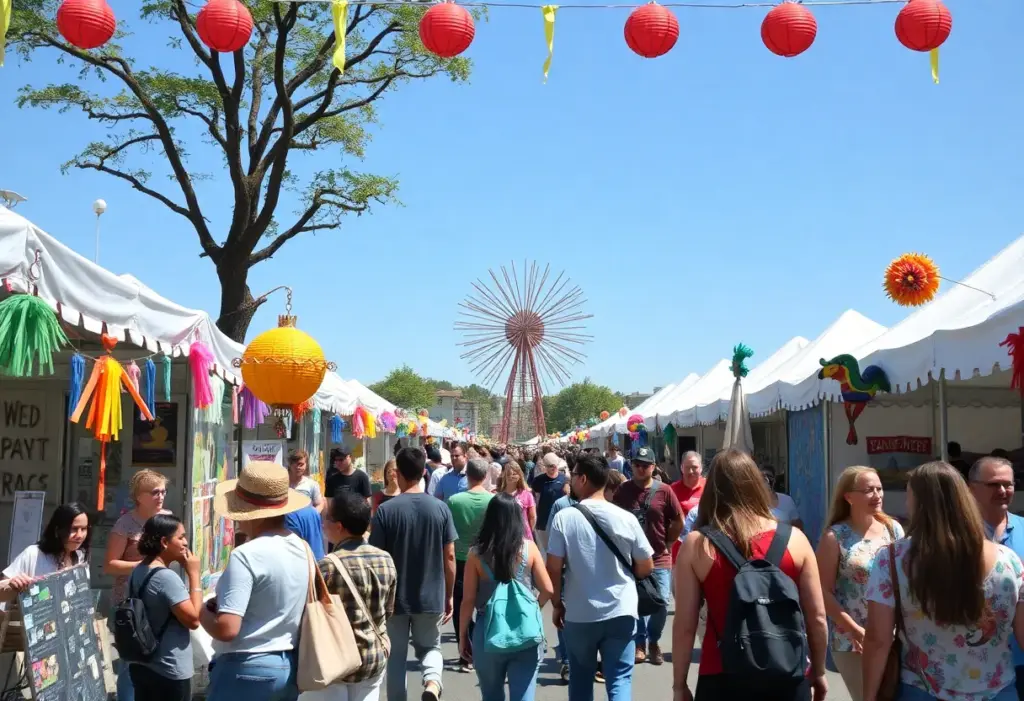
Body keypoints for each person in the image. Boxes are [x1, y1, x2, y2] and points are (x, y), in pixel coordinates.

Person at [672, 449, 828, 701]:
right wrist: (818, 671)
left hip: (722, 673)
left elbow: (685, 625)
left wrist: (679, 685)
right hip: (787, 670)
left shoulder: (697, 545)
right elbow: (817, 618)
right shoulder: (795, 540)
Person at [864, 461, 1024, 701]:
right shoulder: (1008, 561)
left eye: (909, 496)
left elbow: (878, 639)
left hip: (922, 690)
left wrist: (868, 696)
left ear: (918, 502)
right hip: (997, 691)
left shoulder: (890, 560)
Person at [547, 453, 655, 701]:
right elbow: (646, 565)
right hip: (621, 610)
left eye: (573, 475)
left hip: (580, 612)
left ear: (583, 479)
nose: (571, 480)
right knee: (619, 679)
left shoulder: (565, 518)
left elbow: (553, 567)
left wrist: (557, 603)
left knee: (581, 677)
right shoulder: (626, 518)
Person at [202, 462, 311, 701]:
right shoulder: (301, 547)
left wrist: (201, 610)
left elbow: (227, 628)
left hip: (245, 666)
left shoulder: (246, 555)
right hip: (287, 665)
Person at [369, 447, 458, 701]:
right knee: (430, 646)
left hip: (394, 599)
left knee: (395, 656)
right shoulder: (440, 509)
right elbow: (449, 556)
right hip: (431, 595)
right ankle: (432, 682)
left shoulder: (386, 511)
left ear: (397, 474)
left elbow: (376, 557)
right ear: (423, 473)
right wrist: (449, 594)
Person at [815, 466, 903, 701]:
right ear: (849, 497)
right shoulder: (835, 537)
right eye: (868, 490)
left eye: (879, 488)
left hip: (894, 636)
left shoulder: (893, 529)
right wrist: (854, 629)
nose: (877, 495)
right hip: (853, 640)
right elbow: (823, 592)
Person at [460, 493, 553, 701]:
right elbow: (548, 589)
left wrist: (464, 635)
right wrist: (533, 607)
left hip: (488, 631)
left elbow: (467, 600)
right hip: (526, 631)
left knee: (491, 695)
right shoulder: (529, 548)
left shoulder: (476, 553)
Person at [309, 491, 397, 701]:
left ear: (339, 526)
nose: (323, 524)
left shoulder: (327, 566)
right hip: (373, 656)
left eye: (326, 518)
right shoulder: (386, 559)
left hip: (336, 661)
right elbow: (388, 610)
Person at [103, 469, 171, 701]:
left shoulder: (168, 519)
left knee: (159, 658)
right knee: (130, 661)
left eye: (163, 491)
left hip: (160, 599)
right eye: (154, 492)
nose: (161, 496)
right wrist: (144, 566)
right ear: (139, 496)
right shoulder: (125, 524)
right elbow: (110, 565)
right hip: (129, 602)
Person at [612, 446, 682, 666]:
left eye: (645, 465)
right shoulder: (622, 491)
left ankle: (654, 640)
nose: (640, 469)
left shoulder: (665, 491)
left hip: (659, 557)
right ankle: (640, 642)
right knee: (636, 603)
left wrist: (669, 542)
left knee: (661, 602)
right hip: (631, 558)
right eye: (636, 465)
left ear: (653, 467)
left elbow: (678, 519)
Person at [128, 514, 202, 701]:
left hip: (142, 664)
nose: (186, 543)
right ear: (164, 542)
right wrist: (194, 575)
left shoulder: (139, 570)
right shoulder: (166, 578)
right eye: (180, 537)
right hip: (168, 668)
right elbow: (193, 620)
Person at [967, 456, 1024, 697]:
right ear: (971, 488)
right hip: (974, 665)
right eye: (993, 485)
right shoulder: (958, 537)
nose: (1002, 490)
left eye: (1008, 484)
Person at [447, 458, 494, 672]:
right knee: (488, 606)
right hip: (487, 559)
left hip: (461, 558)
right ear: (485, 477)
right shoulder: (493, 501)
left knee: (461, 606)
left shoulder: (455, 501)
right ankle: (488, 649)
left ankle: (465, 653)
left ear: (468, 475)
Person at [1, 502, 91, 601]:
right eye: (74, 529)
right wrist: (13, 585)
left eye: (83, 529)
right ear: (57, 530)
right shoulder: (34, 554)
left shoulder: (80, 558)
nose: (79, 535)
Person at [670, 452, 704, 564]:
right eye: (687, 467)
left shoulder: (710, 487)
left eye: (694, 467)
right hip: (679, 552)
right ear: (681, 468)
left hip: (704, 550)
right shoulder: (671, 490)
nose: (690, 471)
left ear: (701, 467)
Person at [531, 453, 567, 558]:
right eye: (551, 466)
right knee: (547, 549)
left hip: (561, 519)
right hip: (544, 519)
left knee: (561, 549)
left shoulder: (564, 479)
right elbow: (535, 498)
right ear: (545, 466)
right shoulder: (538, 481)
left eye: (555, 465)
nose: (554, 468)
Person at [500, 461, 537, 541]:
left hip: (523, 534)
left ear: (520, 475)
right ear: (504, 476)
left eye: (514, 474)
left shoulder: (527, 495)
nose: (511, 476)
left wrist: (529, 530)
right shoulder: (499, 496)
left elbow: (533, 517)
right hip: (504, 534)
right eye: (508, 474)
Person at [761, 464, 803, 529]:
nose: (766, 480)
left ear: (774, 480)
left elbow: (798, 526)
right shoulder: (754, 503)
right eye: (762, 477)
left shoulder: (787, 500)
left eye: (769, 476)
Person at [287, 449, 325, 513]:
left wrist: (311, 516)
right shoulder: (282, 484)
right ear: (290, 465)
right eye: (296, 464)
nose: (298, 467)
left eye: (301, 464)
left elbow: (319, 504)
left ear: (306, 465)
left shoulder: (311, 484)